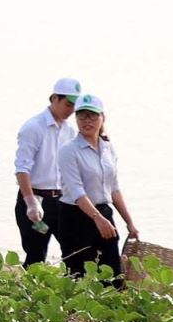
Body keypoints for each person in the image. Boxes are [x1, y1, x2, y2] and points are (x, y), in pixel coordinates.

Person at [58, 94, 137, 286]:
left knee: (112, 274)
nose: (87, 121)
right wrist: (97, 218)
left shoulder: (108, 148)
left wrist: (129, 223)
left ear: (102, 118)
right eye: (82, 116)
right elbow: (77, 192)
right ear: (76, 118)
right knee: (78, 275)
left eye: (92, 116)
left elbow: (114, 189)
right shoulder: (68, 151)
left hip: (103, 213)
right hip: (74, 216)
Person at [14, 77, 82, 268]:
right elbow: (22, 168)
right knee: (36, 255)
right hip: (35, 199)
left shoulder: (69, 130)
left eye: (74, 106)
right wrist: (30, 202)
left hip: (61, 201)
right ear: (54, 99)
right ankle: (30, 295)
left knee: (74, 252)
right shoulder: (33, 127)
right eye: (68, 104)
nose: (71, 110)